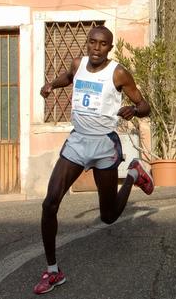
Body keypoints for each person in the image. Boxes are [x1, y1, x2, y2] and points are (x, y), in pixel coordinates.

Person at [33, 25, 154, 295]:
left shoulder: (119, 72)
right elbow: (68, 76)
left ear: (110, 47)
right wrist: (51, 84)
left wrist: (133, 109)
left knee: (108, 216)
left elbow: (145, 106)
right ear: (87, 44)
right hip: (78, 141)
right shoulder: (79, 64)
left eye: (102, 44)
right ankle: (53, 271)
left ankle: (133, 175)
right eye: (92, 43)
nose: (96, 48)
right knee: (49, 203)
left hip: (104, 145)